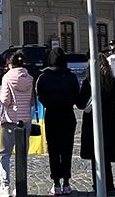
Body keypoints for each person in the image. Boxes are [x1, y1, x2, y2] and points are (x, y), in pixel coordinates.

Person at [35, 49, 79, 195]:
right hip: (67, 114)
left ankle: (56, 183)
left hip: (52, 115)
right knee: (67, 149)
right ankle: (66, 182)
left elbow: (40, 95)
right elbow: (76, 95)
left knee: (53, 150)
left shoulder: (43, 77)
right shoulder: (71, 76)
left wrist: (50, 103)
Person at [78, 54, 115, 192]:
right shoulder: (112, 81)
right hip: (110, 121)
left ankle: (98, 183)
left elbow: (80, 104)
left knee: (95, 155)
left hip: (94, 122)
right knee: (107, 155)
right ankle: (109, 183)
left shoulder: (89, 82)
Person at [0, 51, 34, 197]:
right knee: (21, 154)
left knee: (4, 153)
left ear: (10, 64)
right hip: (25, 119)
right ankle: (20, 186)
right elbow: (31, 100)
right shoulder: (29, 78)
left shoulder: (7, 77)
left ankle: (5, 186)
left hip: (10, 120)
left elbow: (5, 101)